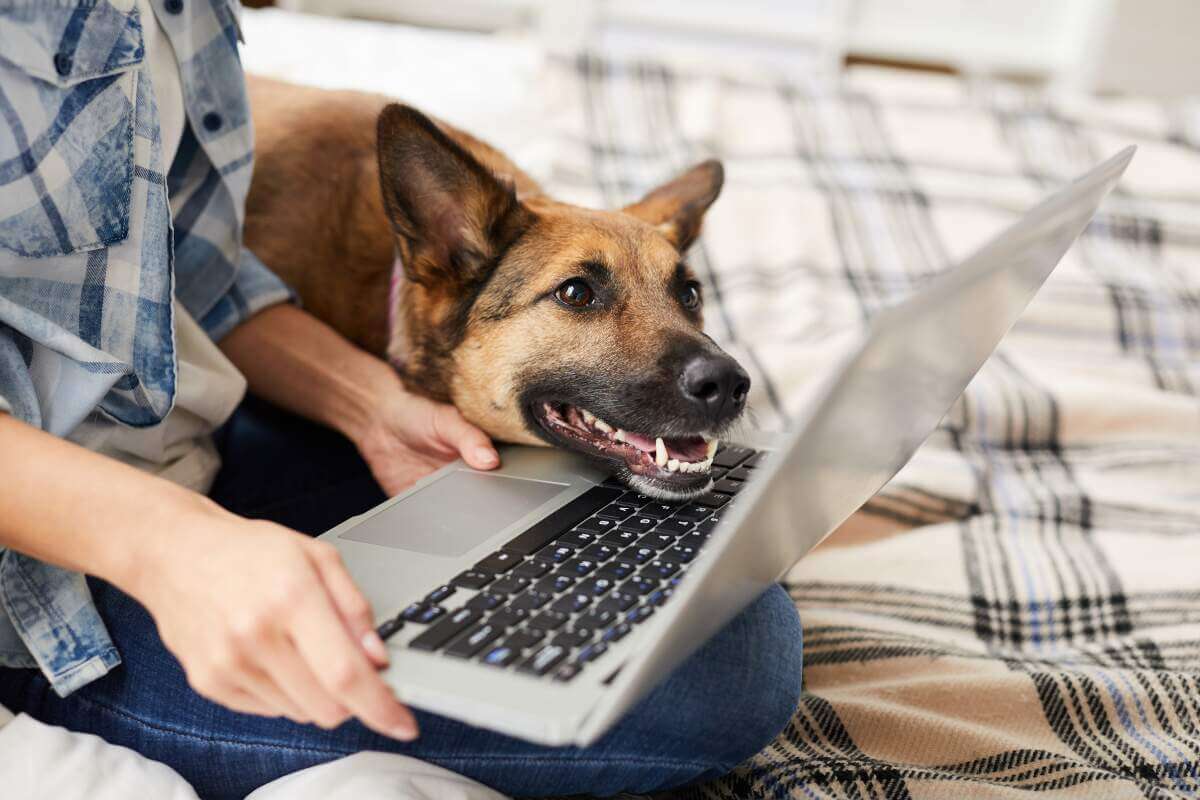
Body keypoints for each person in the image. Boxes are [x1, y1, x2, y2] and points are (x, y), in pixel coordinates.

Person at [0, 1, 803, 797]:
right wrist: (170, 547)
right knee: (724, 672)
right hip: (43, 597)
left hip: (187, 445)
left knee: (708, 588)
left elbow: (189, 274)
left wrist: (371, 409)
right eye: (580, 297)